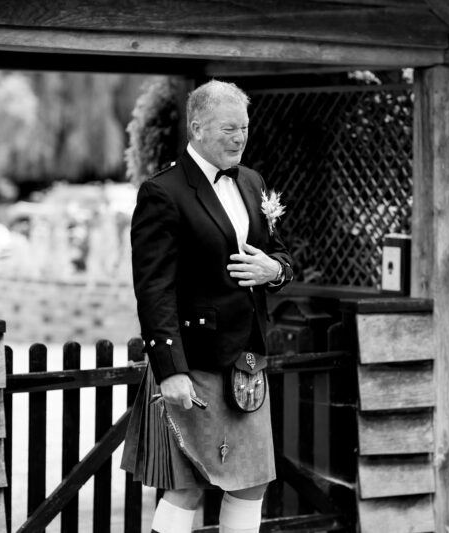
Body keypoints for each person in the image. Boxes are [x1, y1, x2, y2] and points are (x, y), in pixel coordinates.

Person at [121, 80, 293, 533]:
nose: (239, 139)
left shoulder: (252, 181)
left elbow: (280, 253)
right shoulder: (163, 192)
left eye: (244, 128)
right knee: (187, 487)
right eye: (228, 129)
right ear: (197, 128)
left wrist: (274, 270)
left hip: (247, 361)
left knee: (252, 482)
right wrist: (169, 369)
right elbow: (154, 288)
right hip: (194, 359)